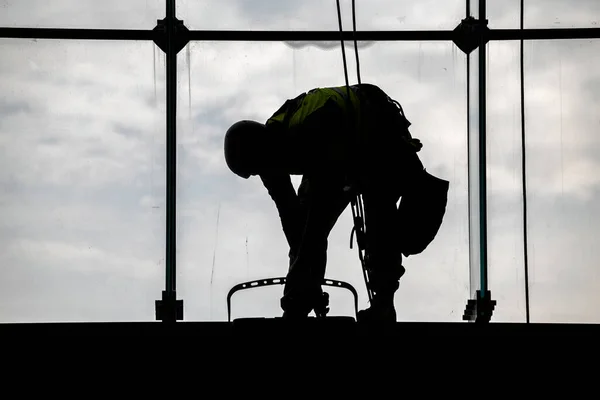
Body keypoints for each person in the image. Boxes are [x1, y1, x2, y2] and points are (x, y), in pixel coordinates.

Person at [223, 83, 448, 322]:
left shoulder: (307, 128)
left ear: (262, 149)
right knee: (308, 234)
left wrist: (299, 295)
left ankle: (384, 304)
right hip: (333, 147)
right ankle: (302, 302)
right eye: (256, 170)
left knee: (379, 219)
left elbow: (315, 224)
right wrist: (308, 289)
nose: (261, 173)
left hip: (375, 131)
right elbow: (293, 222)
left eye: (258, 167)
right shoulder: (268, 155)